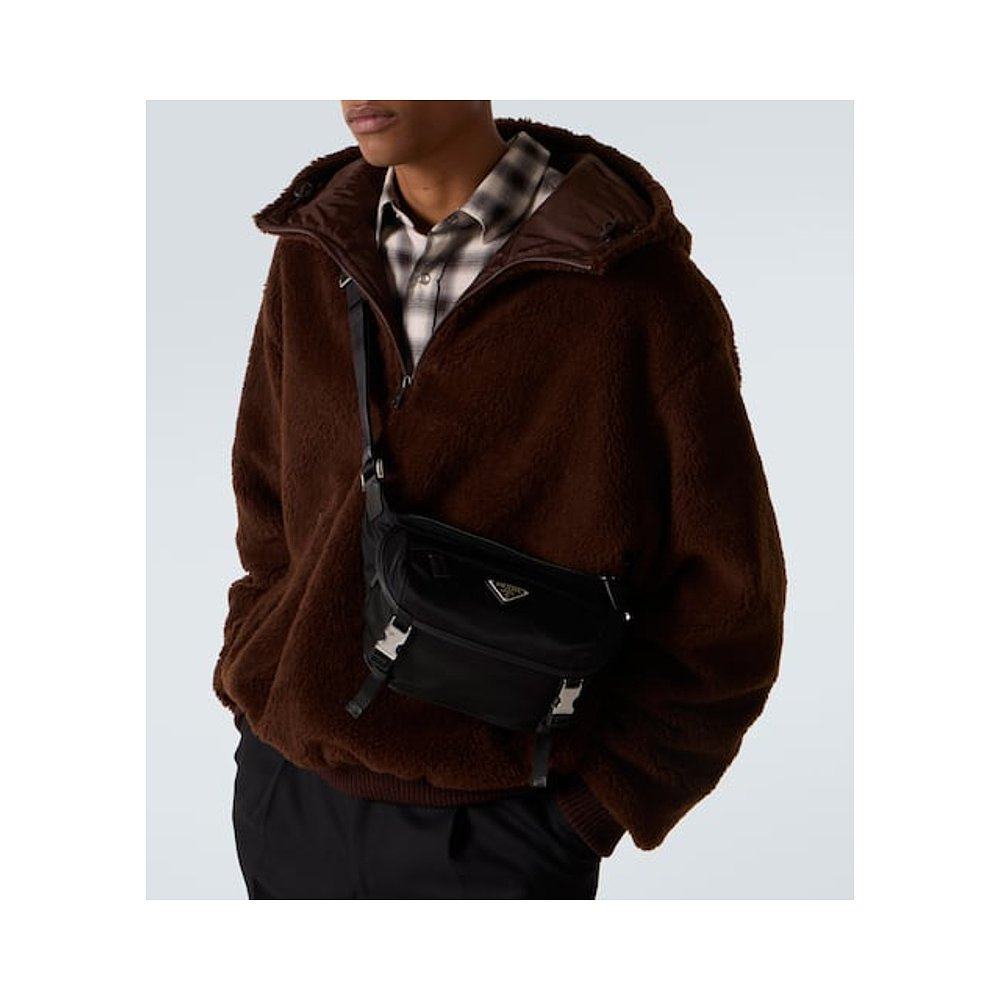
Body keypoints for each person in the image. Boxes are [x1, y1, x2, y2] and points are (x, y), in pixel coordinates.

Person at [216, 100, 787, 899]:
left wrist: (593, 807)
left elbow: (730, 604)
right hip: (289, 796)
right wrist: (258, 686)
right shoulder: (315, 252)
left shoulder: (637, 293)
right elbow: (266, 504)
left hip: (499, 833)